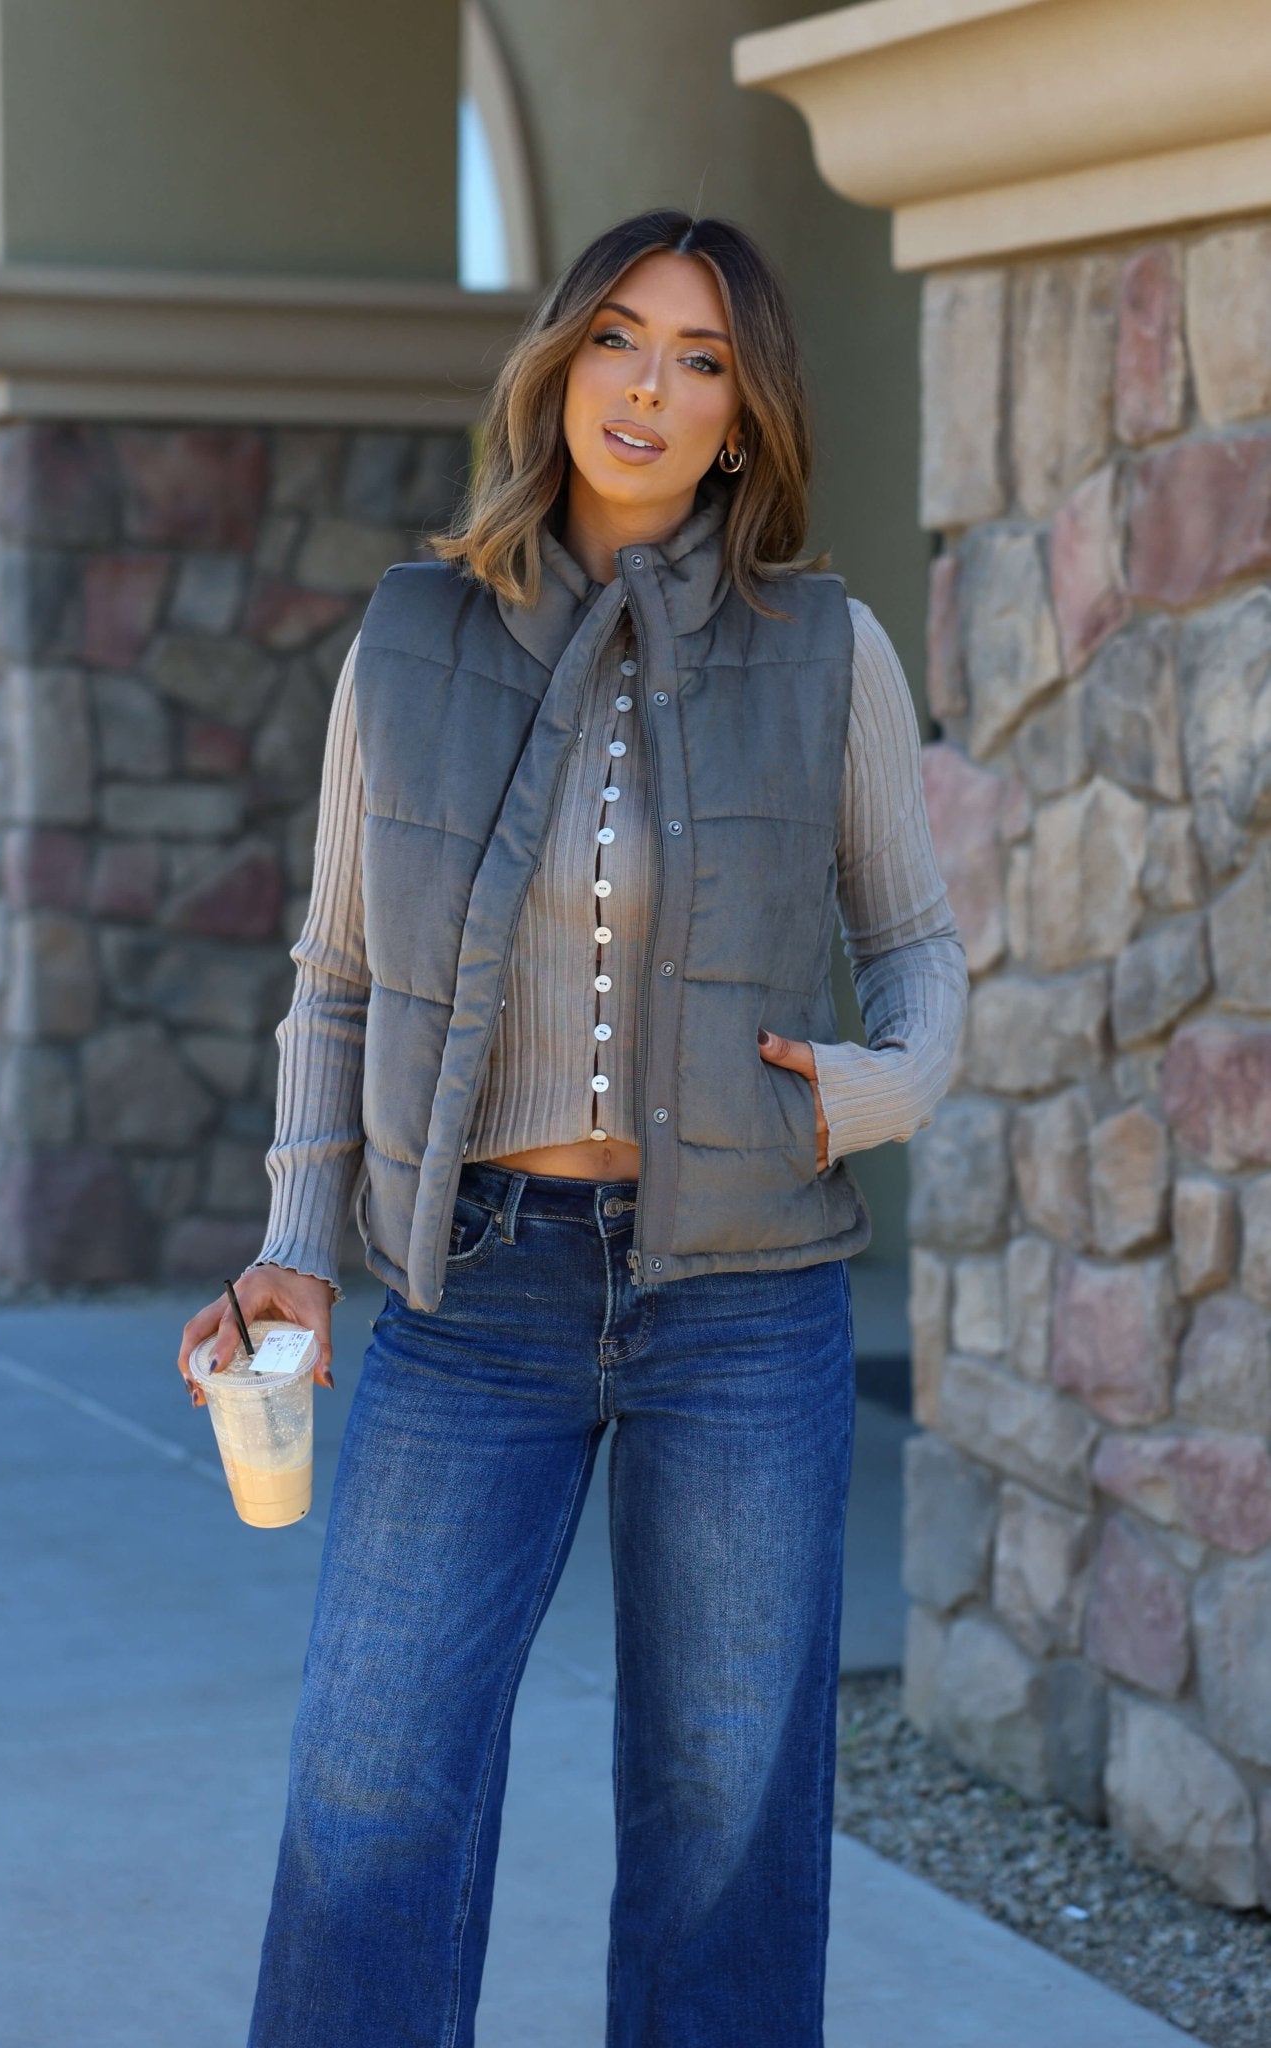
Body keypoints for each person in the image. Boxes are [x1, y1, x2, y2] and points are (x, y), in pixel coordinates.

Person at [178, 206, 968, 2048]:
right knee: (371, 1782)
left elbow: (915, 946)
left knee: (724, 1820)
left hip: (748, 1297)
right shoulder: (412, 633)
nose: (648, 389)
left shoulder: (827, 648)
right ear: (556, 363)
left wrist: (872, 1090)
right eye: (618, 338)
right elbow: (336, 970)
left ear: (745, 417)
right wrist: (295, 1248)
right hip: (477, 1287)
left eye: (701, 361)